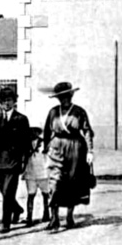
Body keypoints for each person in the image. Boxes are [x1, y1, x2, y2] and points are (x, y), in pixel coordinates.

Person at [43, 82, 94, 231]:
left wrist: (90, 151)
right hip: (56, 147)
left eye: (66, 96)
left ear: (71, 95)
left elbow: (87, 131)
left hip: (75, 149)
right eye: (60, 97)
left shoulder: (79, 111)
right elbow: (47, 131)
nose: (63, 99)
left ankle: (70, 216)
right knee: (55, 182)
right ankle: (54, 218)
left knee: (72, 183)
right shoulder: (53, 112)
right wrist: (46, 148)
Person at [0, 86, 31, 234]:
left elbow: (26, 143)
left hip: (14, 161)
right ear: (0, 103)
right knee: (2, 189)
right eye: (4, 101)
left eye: (10, 100)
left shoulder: (22, 119)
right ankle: (17, 209)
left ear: (14, 102)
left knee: (8, 192)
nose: (7, 103)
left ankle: (6, 223)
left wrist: (24, 161)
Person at [23, 127, 51, 226]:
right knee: (32, 195)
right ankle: (30, 217)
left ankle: (46, 213)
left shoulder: (44, 143)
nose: (33, 133)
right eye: (31, 131)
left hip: (42, 172)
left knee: (44, 194)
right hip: (31, 173)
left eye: (35, 131)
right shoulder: (25, 143)